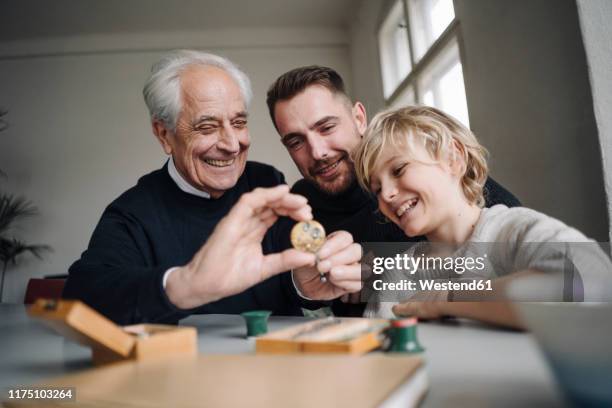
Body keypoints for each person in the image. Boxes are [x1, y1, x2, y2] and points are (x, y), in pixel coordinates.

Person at [63, 50, 362, 325]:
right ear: (164, 134)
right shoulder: (133, 214)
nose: (232, 145)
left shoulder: (266, 182)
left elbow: (296, 280)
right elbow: (78, 300)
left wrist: (305, 283)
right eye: (207, 127)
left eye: (239, 122)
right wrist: (184, 285)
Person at [352, 105, 612, 328]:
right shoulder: (399, 275)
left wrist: (448, 299)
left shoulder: (510, 231)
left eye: (398, 169)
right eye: (376, 189)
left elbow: (593, 279)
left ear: (453, 158)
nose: (385, 194)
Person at [266, 66, 521, 244]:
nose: (318, 152)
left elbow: (520, 244)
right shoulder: (298, 208)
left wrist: (377, 266)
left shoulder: (427, 169)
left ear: (358, 118)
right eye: (296, 141)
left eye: (327, 127)